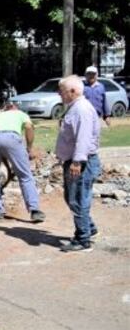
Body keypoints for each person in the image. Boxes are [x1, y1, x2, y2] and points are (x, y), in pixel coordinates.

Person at [55, 75, 102, 253]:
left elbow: (83, 138)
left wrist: (77, 161)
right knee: (71, 198)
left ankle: (83, 239)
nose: (60, 95)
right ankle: (89, 227)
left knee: (78, 200)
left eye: (63, 91)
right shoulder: (75, 107)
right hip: (76, 160)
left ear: (73, 91)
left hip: (82, 162)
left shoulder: (81, 109)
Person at [0, 103, 45, 221]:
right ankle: (34, 210)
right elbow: (28, 127)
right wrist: (29, 148)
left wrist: (7, 164)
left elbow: (0, 147)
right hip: (11, 138)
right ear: (16, 108)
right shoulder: (21, 114)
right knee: (25, 176)